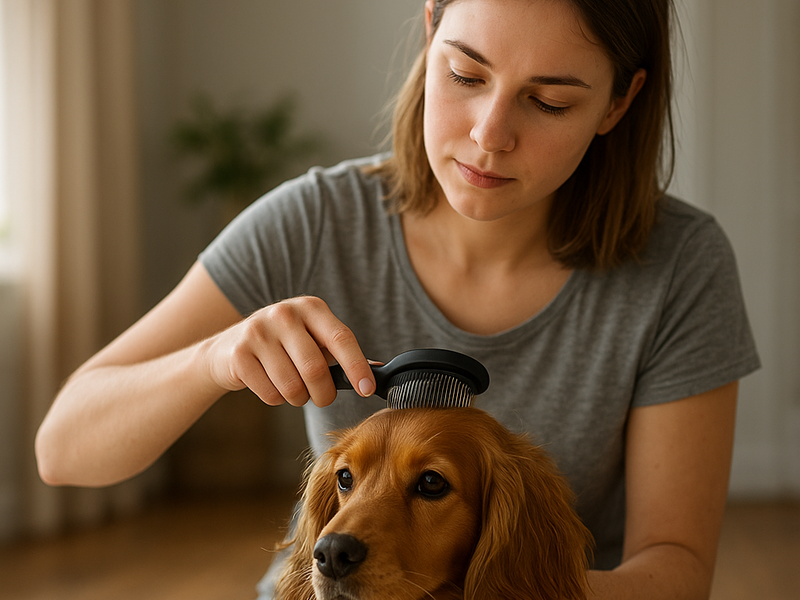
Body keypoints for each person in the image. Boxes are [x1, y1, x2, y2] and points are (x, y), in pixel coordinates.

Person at [36, 0, 760, 598]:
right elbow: (63, 448)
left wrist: (494, 586)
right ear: (429, 33)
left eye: (548, 101)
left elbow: (675, 570)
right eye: (464, 73)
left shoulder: (680, 266)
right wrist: (212, 359)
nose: (488, 136)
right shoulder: (312, 223)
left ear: (618, 103)